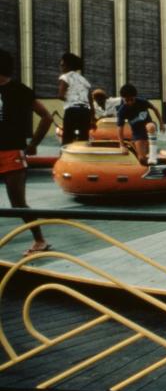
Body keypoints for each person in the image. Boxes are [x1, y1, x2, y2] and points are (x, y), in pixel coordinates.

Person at [0, 49, 54, 256]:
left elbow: (46, 117)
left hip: (12, 150)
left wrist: (33, 144)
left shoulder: (19, 90)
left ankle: (40, 240)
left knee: (17, 202)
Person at [116, 83, 165, 165]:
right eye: (127, 100)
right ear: (123, 98)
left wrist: (161, 123)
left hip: (148, 128)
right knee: (142, 159)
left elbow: (155, 109)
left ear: (135, 96)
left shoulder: (142, 102)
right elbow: (120, 128)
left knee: (151, 126)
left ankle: (153, 156)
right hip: (137, 133)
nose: (130, 102)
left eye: (132, 99)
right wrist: (122, 145)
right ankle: (147, 164)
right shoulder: (122, 110)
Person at [57, 52, 93, 145]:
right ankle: (83, 155)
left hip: (72, 110)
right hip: (85, 111)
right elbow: (90, 100)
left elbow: (60, 95)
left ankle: (65, 157)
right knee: (84, 137)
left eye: (62, 65)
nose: (61, 67)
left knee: (67, 137)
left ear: (66, 65)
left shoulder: (65, 77)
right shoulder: (84, 80)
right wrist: (92, 117)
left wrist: (71, 99)